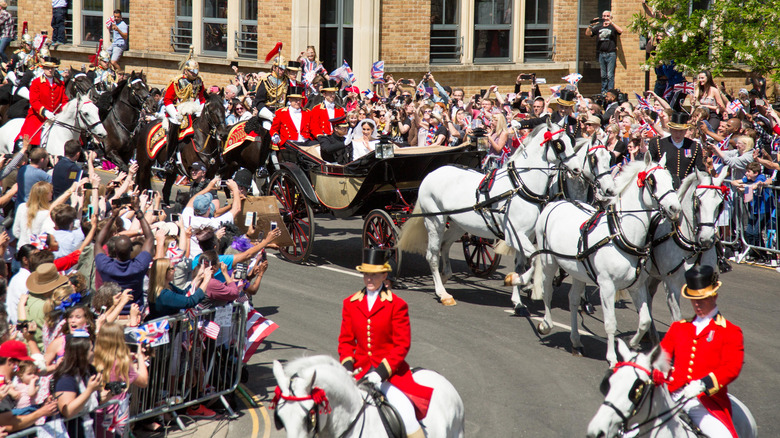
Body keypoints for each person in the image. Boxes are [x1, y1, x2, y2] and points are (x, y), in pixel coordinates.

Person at [338, 248, 432, 438]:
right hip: (359, 372)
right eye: (366, 274)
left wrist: (380, 373)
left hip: (390, 374)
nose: (369, 279)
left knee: (406, 415)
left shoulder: (397, 305)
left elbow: (402, 345)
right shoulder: (350, 303)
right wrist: (347, 368)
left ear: (384, 275)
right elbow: (346, 341)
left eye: (374, 275)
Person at [660, 265, 743, 438]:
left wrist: (703, 384)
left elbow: (731, 368)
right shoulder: (679, 328)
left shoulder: (730, 331)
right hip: (671, 395)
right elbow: (660, 359)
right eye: (693, 299)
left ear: (714, 295)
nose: (697, 304)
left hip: (703, 402)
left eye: (702, 299)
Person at [94, 198, 154, 311]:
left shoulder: (105, 265)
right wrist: (138, 211)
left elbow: (98, 242)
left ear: (113, 250)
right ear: (131, 249)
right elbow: (149, 237)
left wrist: (112, 217)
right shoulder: (139, 266)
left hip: (109, 312)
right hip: (133, 313)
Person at [162, 50, 206, 172]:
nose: (194, 74)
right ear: (186, 71)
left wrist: (201, 109)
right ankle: (169, 159)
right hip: (177, 110)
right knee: (175, 126)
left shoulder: (199, 81)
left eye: (196, 72)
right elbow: (167, 100)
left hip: (193, 109)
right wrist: (175, 114)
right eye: (192, 72)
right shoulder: (177, 81)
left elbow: (202, 98)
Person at [15, 56, 68, 149]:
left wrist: (63, 112)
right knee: (29, 137)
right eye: (47, 68)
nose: (50, 70)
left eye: (52, 68)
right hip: (38, 116)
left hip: (56, 116)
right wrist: (45, 112)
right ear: (43, 68)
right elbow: (34, 101)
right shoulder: (36, 82)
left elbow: (64, 100)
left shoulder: (60, 83)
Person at [647, 112, 705, 189]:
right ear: (670, 129)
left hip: (686, 190)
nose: (678, 134)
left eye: (681, 131)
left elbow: (701, 170)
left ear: (686, 130)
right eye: (675, 130)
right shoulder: (658, 144)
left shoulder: (694, 146)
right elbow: (649, 166)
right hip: (663, 189)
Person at [586, 10, 623, 94]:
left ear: (610, 17)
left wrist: (611, 23)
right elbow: (588, 34)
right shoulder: (599, 28)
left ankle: (610, 92)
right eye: (604, 16)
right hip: (601, 54)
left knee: (610, 75)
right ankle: (604, 92)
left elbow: (621, 31)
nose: (605, 18)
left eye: (607, 16)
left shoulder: (613, 27)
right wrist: (590, 25)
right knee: (603, 75)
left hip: (611, 54)